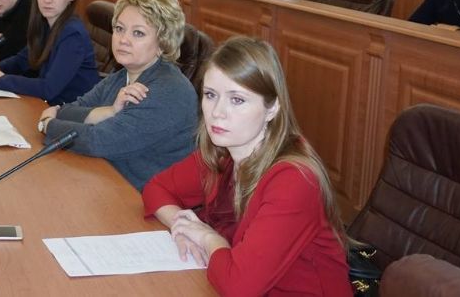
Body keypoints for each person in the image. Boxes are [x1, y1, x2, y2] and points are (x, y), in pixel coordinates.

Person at [142, 36, 351, 296]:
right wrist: (182, 227)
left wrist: (208, 238)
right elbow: (156, 188)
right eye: (210, 95)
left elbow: (238, 287)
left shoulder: (295, 180)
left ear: (272, 108)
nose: (217, 112)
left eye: (237, 100)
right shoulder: (222, 151)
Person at [37, 0, 198, 190]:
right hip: (105, 179)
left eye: (138, 33)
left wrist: (47, 125)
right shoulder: (121, 76)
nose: (123, 40)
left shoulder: (170, 91)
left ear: (162, 43)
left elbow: (99, 141)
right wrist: (109, 111)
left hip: (141, 198)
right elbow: (68, 110)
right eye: (120, 29)